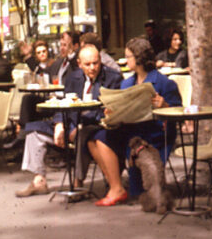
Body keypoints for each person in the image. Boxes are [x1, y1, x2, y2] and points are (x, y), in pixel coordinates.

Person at [15, 44, 122, 197]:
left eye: (96, 63)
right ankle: (39, 181)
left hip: (95, 125)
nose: (92, 67)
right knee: (34, 130)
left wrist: (77, 125)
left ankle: (78, 182)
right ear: (79, 64)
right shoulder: (74, 77)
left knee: (82, 135)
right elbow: (64, 102)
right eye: (87, 64)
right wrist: (59, 124)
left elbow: (106, 111)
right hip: (70, 121)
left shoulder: (112, 78)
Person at [90, 37, 181, 206]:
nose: (125, 60)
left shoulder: (164, 83)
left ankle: (136, 187)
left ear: (138, 58)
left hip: (154, 134)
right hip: (130, 132)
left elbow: (179, 115)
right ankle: (115, 185)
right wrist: (113, 112)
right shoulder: (126, 83)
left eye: (128, 56)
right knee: (97, 136)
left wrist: (165, 105)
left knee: (138, 192)